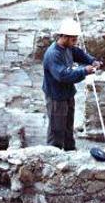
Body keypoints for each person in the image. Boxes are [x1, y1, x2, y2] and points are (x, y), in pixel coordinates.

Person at [42, 17, 101, 151]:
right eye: (73, 39)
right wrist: (84, 71)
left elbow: (78, 53)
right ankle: (54, 154)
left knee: (68, 126)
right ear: (64, 37)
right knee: (56, 129)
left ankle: (70, 150)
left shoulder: (68, 47)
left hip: (68, 94)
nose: (75, 42)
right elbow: (63, 75)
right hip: (56, 97)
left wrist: (91, 61)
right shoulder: (53, 55)